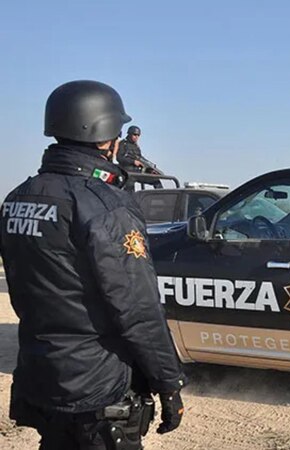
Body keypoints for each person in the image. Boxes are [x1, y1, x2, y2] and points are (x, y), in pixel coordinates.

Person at [0, 80, 185, 449]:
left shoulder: (17, 198)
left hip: (43, 377)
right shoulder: (105, 206)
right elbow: (138, 307)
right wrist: (169, 382)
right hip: (98, 387)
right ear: (107, 138)